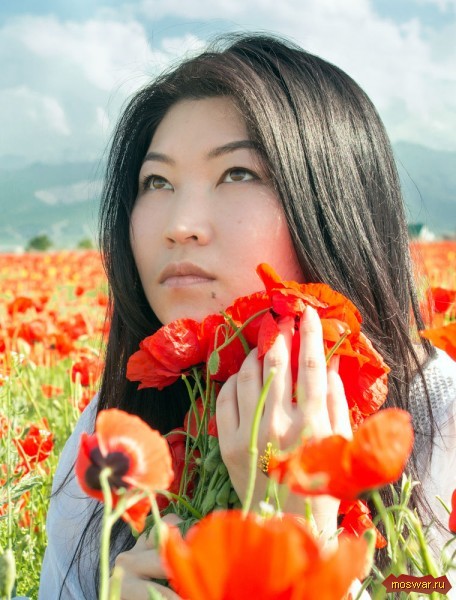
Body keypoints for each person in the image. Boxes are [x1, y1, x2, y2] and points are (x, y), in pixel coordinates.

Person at [38, 33, 456, 599]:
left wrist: (302, 547)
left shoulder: (442, 425)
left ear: (333, 203)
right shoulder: (114, 431)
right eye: (156, 182)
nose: (179, 225)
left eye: (237, 173)